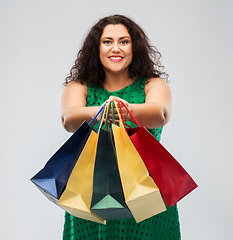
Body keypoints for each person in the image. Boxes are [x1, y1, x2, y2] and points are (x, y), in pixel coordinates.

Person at [61, 14, 181, 240]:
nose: (116, 48)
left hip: (146, 194)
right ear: (96, 48)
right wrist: (101, 111)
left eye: (124, 41)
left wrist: (127, 110)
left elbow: (160, 114)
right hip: (91, 197)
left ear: (134, 47)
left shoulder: (152, 84)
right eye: (107, 41)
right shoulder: (80, 86)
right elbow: (69, 119)